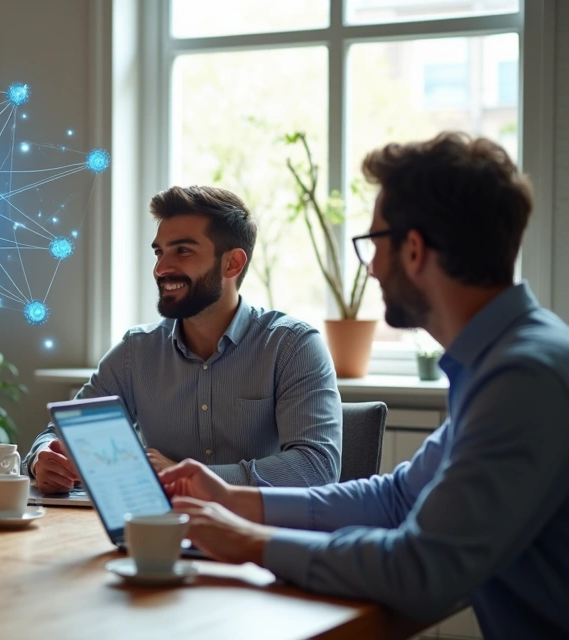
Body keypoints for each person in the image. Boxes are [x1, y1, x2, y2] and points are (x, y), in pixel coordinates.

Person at [160, 133, 569, 638]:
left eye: (374, 242)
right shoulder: (509, 359)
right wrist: (235, 500)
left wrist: (253, 542)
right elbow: (398, 499)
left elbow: (421, 570)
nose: (370, 266)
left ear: (414, 249)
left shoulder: (524, 377)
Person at [28, 186, 342, 491]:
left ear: (232, 263)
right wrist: (43, 458)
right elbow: (61, 433)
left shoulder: (293, 347)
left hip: (257, 537)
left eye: (183, 251)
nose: (161, 268)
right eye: (159, 252)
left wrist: (187, 477)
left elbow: (315, 467)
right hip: (159, 533)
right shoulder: (136, 352)